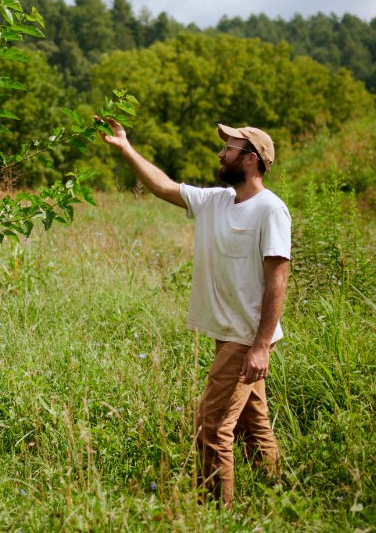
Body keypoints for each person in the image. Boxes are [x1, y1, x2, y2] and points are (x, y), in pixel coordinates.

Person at [99, 119, 291, 507]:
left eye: (229, 149)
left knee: (212, 426)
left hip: (246, 339)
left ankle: (213, 514)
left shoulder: (271, 210)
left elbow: (278, 283)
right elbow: (163, 186)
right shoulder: (216, 200)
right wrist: (126, 148)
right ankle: (277, 500)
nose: (220, 154)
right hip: (229, 335)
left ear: (251, 160)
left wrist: (260, 346)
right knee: (253, 427)